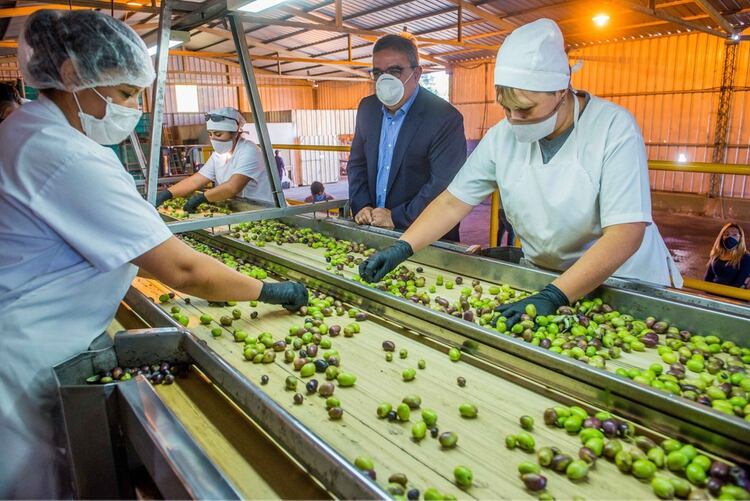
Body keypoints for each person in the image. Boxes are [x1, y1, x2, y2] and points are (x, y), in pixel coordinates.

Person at [0, 10, 307, 498]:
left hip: (36, 338)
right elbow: (182, 268)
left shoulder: (33, 131)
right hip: (26, 357)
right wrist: (267, 290)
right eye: (123, 94)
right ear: (72, 76)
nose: (132, 108)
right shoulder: (61, 151)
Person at [358, 19, 682, 327]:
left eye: (525, 109)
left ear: (561, 88)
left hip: (621, 286)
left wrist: (555, 295)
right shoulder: (502, 135)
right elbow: (452, 203)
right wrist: (403, 247)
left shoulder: (613, 128)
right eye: (506, 108)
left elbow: (625, 233)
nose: (514, 119)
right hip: (546, 280)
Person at [347, 33, 467, 241]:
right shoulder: (368, 108)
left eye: (395, 71)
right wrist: (362, 204)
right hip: (375, 230)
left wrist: (397, 217)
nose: (385, 80)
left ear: (417, 73)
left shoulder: (444, 117)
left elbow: (442, 184)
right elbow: (357, 163)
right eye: (378, 73)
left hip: (425, 236)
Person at [155, 107, 273, 211]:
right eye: (210, 134)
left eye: (218, 134)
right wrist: (167, 194)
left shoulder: (249, 151)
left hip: (263, 209)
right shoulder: (218, 155)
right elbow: (195, 180)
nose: (213, 139)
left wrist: (202, 198)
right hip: (239, 208)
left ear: (235, 133)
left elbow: (232, 187)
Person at [705, 223, 750, 288]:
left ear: (740, 238)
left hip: (730, 296)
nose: (730, 237)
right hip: (712, 293)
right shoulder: (717, 255)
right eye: (727, 234)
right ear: (722, 237)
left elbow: (740, 283)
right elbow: (708, 278)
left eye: (735, 235)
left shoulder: (746, 258)